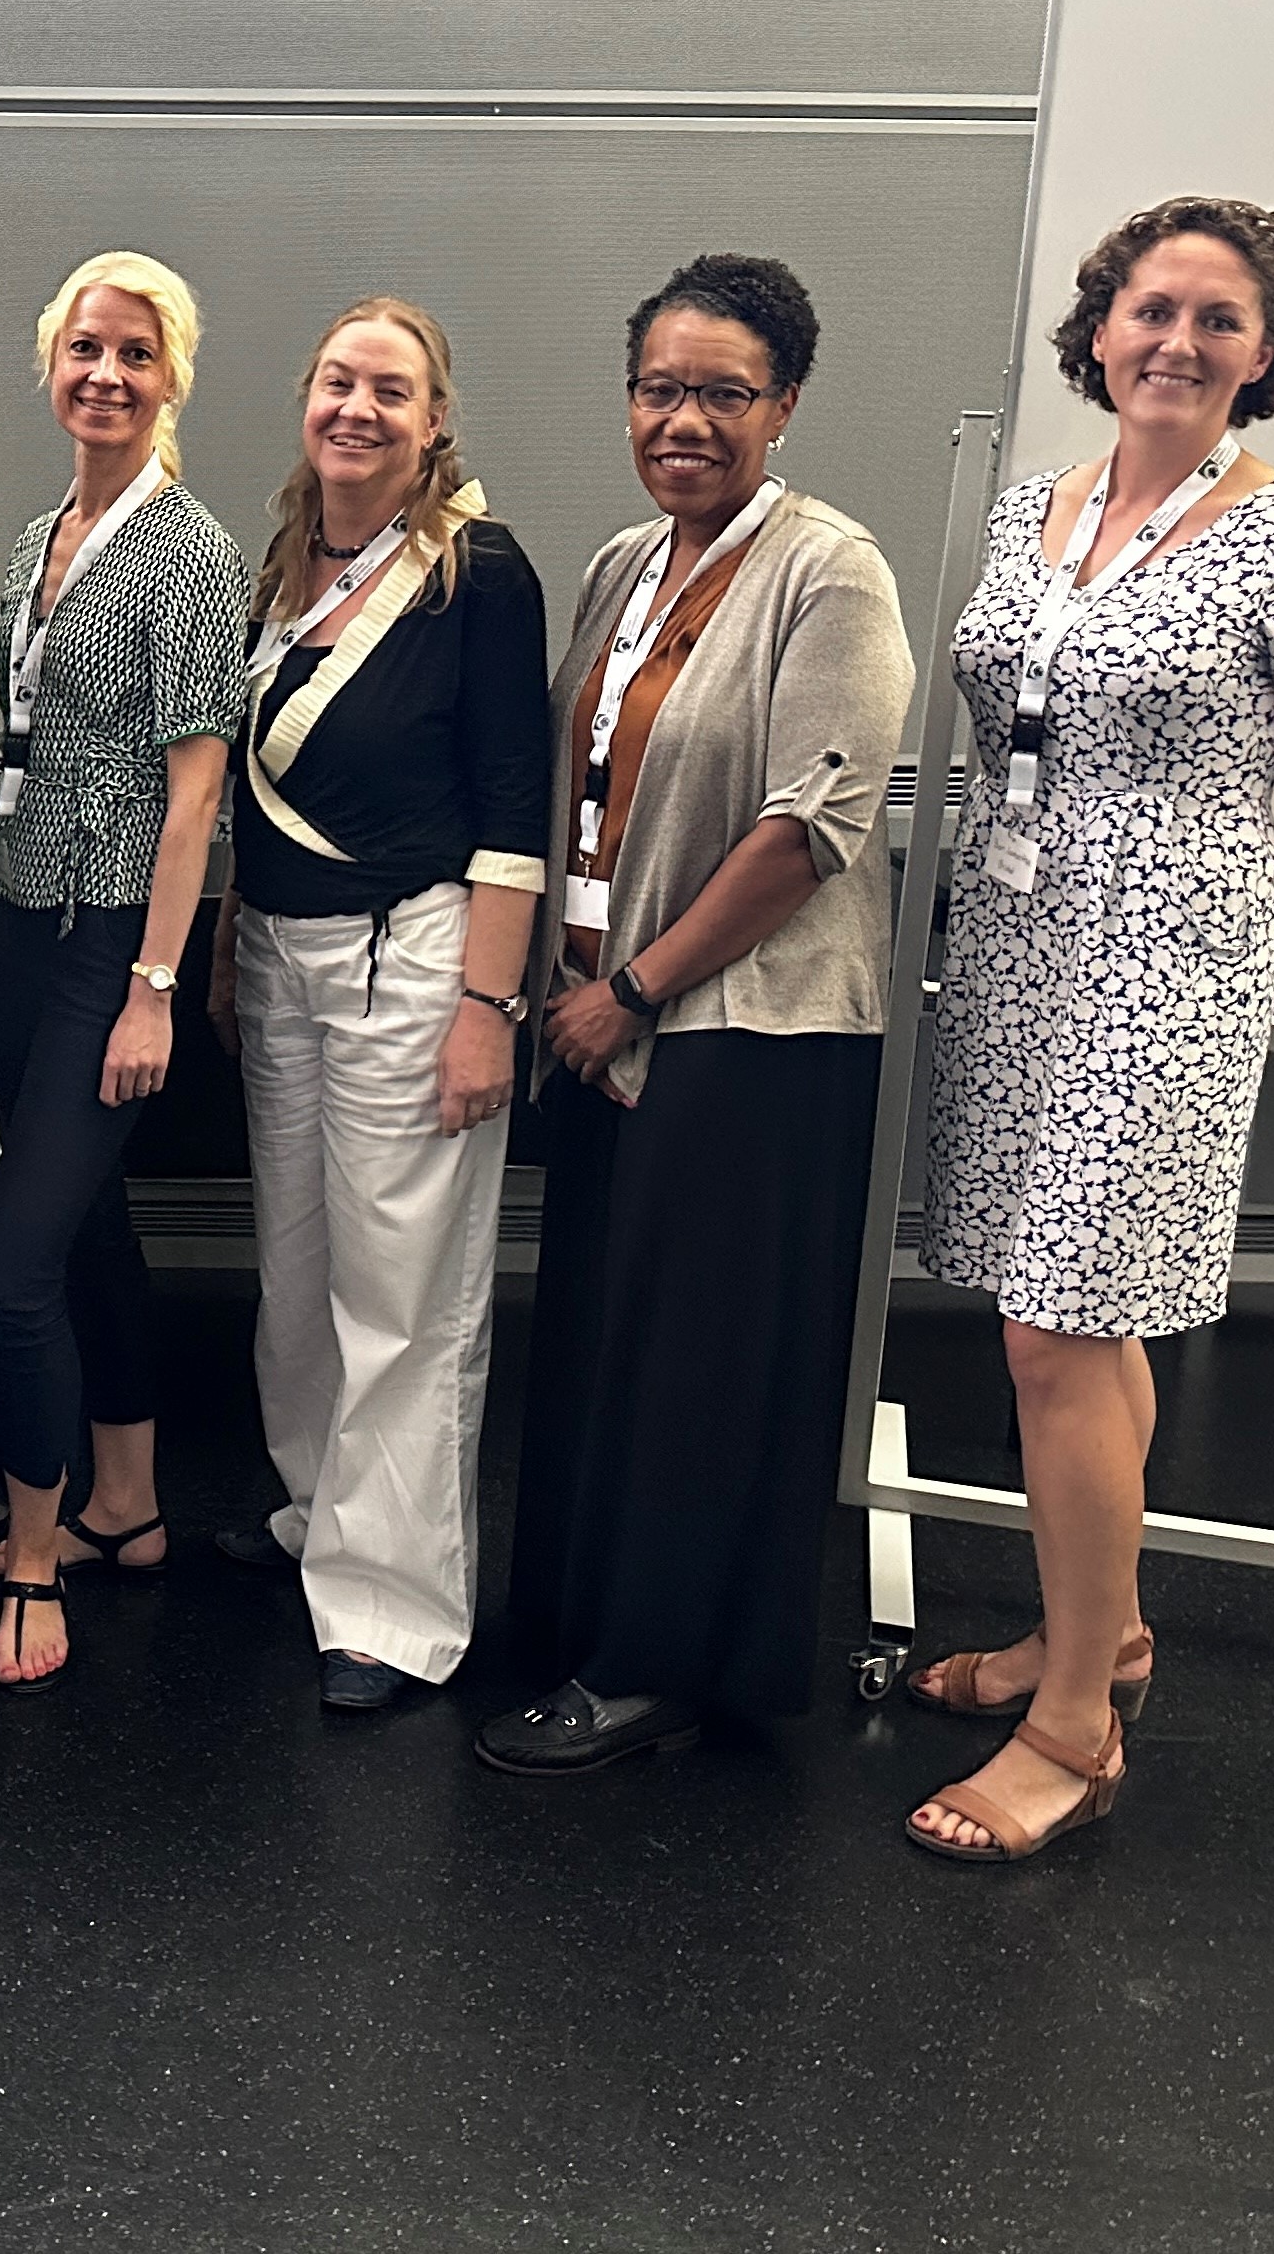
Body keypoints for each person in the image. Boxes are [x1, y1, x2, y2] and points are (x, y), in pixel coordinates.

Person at [905, 198, 1274, 1863]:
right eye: (1149, 308)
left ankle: (1071, 1733)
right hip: (1018, 957)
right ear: (1097, 327)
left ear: (1268, 355)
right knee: (1062, 1327)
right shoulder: (1033, 514)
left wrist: (1230, 996)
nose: (1175, 341)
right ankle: (1089, 1632)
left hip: (1165, 977)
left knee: (1058, 1332)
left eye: (1217, 319)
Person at [480, 254, 913, 1778]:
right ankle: (579, 1625)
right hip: (602, 1014)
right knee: (603, 1334)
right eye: (658, 389)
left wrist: (634, 990)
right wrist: (569, 986)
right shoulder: (620, 564)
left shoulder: (828, 571)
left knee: (696, 1360)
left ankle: (659, 1667)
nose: (683, 419)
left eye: (721, 393)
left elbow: (812, 826)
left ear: (782, 406)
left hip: (746, 1031)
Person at [204, 300, 550, 1714]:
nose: (357, 406)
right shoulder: (282, 563)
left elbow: (512, 807)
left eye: (388, 389)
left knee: (404, 1292)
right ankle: (316, 1518)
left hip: (414, 960)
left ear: (431, 418)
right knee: (296, 1277)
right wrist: (231, 939)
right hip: (281, 957)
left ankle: (395, 1609)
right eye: (337, 378)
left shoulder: (479, 572)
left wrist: (487, 1006)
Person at [0, 251, 248, 1692]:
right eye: (84, 348)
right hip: (15, 918)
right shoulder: (35, 538)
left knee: (9, 1265)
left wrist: (153, 981)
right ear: (48, 360)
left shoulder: (187, 550)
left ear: (171, 376)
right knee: (82, 1232)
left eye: (134, 354)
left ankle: (34, 1558)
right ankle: (126, 1504)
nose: (104, 375)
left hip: (102, 938)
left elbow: (196, 795)